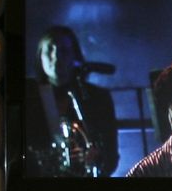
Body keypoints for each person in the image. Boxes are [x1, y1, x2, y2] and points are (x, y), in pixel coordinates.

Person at [25, 26, 117, 177]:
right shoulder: (28, 97)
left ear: (75, 57)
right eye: (50, 50)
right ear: (39, 56)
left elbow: (111, 156)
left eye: (64, 51)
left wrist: (98, 159)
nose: (56, 57)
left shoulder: (98, 98)